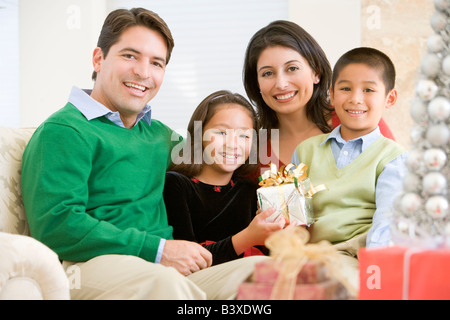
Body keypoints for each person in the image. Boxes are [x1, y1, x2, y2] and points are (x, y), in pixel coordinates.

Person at [21, 8, 267, 300]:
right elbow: (56, 225)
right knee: (165, 286)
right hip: (92, 265)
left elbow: (221, 157)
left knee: (269, 272)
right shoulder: (64, 131)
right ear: (98, 59)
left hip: (171, 267)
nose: (143, 72)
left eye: (156, 63)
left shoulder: (160, 135)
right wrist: (158, 250)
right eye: (130, 56)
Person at [291, 47, 407, 288]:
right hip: (304, 256)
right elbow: (293, 216)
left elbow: (387, 223)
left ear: (390, 98)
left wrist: (377, 279)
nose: (355, 98)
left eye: (368, 90)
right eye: (345, 88)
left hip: (354, 256)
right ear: (332, 95)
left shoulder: (393, 157)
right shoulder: (305, 151)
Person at [243, 20, 395, 175]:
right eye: (267, 73)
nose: (281, 84)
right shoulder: (254, 149)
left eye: (292, 68)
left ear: (316, 73)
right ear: (256, 83)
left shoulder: (357, 117)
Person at [164, 90, 283, 265]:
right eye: (221, 133)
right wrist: (248, 237)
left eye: (244, 136)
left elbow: (269, 251)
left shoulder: (249, 190)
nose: (233, 144)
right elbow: (186, 259)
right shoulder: (176, 185)